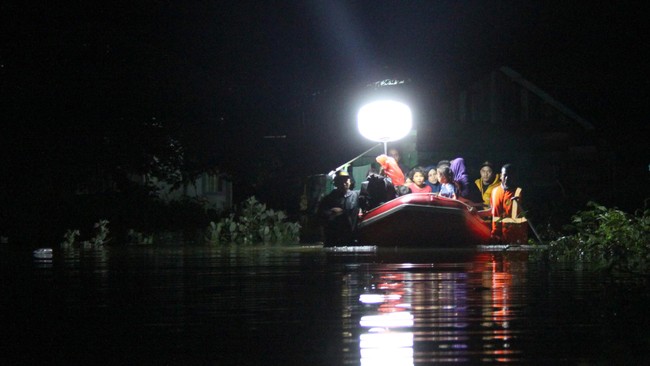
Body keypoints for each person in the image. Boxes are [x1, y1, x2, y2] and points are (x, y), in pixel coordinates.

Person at [317, 171, 360, 246]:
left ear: (350, 181)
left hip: (351, 240)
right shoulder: (328, 199)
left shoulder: (356, 196)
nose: (344, 183)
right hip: (333, 241)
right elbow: (319, 217)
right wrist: (331, 213)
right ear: (335, 183)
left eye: (345, 180)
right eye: (340, 180)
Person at [490, 164, 527, 243]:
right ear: (500, 176)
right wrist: (476, 213)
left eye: (510, 176)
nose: (507, 178)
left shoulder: (519, 193)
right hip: (497, 239)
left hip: (515, 241)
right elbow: (492, 211)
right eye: (505, 175)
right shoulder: (494, 192)